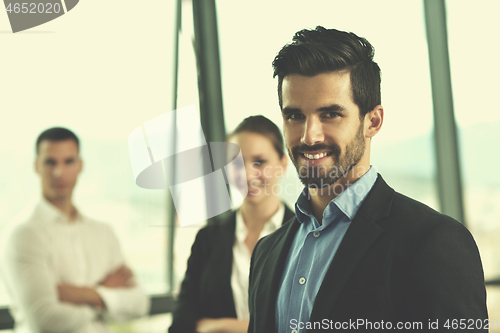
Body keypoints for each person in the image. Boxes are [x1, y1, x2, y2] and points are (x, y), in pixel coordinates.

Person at [247, 27, 488, 332]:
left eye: (330, 114)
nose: (309, 135)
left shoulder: (433, 241)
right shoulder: (266, 252)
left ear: (372, 121)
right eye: (294, 116)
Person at [1, 127, 150, 333]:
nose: (59, 172)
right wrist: (105, 296)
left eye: (68, 161)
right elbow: (45, 320)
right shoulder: (24, 234)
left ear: (80, 166)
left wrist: (83, 295)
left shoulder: (103, 232)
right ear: (36, 166)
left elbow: (140, 304)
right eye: (50, 162)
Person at [169, 115, 294, 333]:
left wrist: (220, 327)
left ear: (282, 164)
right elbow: (181, 324)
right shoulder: (208, 239)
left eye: (259, 162)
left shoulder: (305, 235)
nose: (246, 174)